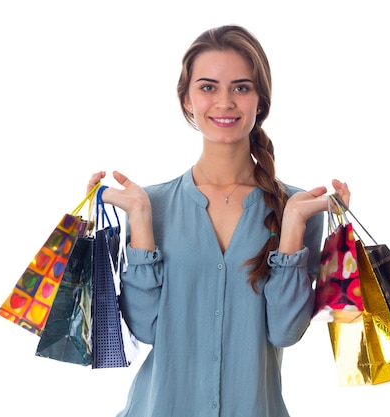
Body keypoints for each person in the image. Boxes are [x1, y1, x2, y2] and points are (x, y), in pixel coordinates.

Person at [87, 24, 350, 417]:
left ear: (261, 101)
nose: (225, 102)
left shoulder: (298, 209)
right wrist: (140, 219)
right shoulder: (152, 205)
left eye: (241, 87)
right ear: (187, 100)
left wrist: (292, 226)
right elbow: (145, 329)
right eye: (208, 87)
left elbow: (285, 332)